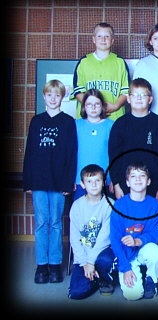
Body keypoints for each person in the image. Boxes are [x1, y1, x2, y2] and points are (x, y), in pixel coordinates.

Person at [23, 79, 77, 284]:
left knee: (55, 223)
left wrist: (67, 182)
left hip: (58, 182)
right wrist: (28, 181)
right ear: (44, 96)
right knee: (41, 223)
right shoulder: (36, 121)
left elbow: (72, 153)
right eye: (49, 95)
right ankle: (41, 265)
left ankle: (55, 265)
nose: (53, 98)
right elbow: (29, 153)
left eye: (57, 95)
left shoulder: (67, 122)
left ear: (62, 98)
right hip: (38, 180)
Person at [108, 78, 158, 203]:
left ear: (150, 99)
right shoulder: (119, 124)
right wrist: (116, 183)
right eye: (135, 95)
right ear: (129, 99)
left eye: (143, 95)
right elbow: (114, 156)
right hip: (126, 184)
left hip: (153, 184)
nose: (139, 98)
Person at [110, 162, 158, 300]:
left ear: (148, 181)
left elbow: (156, 233)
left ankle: (151, 280)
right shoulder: (119, 205)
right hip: (126, 254)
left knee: (155, 252)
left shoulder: (155, 205)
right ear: (127, 182)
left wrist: (138, 241)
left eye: (142, 176)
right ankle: (127, 271)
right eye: (133, 176)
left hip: (143, 249)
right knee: (133, 295)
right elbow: (115, 239)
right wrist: (126, 267)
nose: (138, 179)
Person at [68, 164, 115, 299]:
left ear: (104, 182)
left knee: (105, 260)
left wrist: (91, 262)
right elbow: (75, 238)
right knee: (76, 293)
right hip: (83, 256)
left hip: (102, 253)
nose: (94, 185)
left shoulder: (110, 205)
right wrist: (84, 263)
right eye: (89, 181)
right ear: (82, 184)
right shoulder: (77, 206)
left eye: (98, 181)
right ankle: (95, 279)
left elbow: (104, 238)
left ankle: (105, 279)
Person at [72, 22, 130, 121]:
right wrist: (93, 107)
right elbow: (78, 91)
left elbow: (126, 91)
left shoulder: (120, 62)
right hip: (88, 119)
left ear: (112, 40)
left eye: (107, 36)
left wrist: (116, 106)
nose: (103, 39)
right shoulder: (84, 62)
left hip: (114, 117)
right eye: (99, 36)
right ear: (94, 39)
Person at [74, 89, 114, 200]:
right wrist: (71, 179)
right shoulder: (75, 125)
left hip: (105, 180)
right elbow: (70, 154)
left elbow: (115, 154)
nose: (93, 107)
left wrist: (114, 180)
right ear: (84, 107)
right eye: (89, 104)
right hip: (81, 181)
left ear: (102, 106)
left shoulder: (111, 125)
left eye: (97, 104)